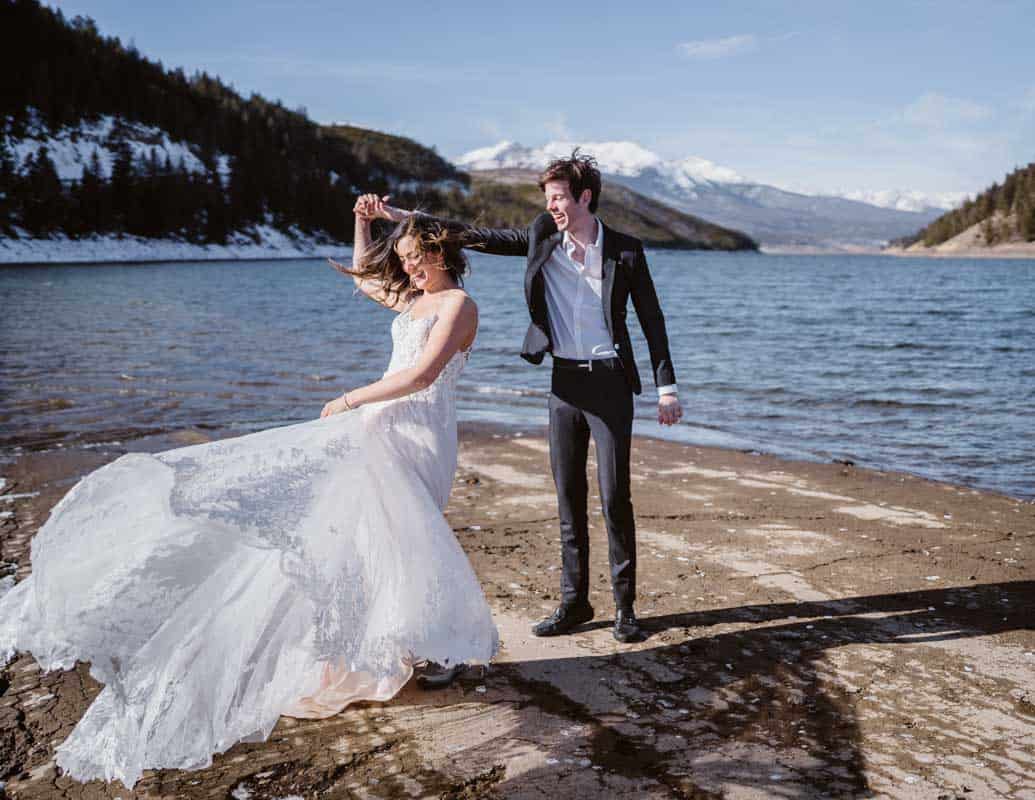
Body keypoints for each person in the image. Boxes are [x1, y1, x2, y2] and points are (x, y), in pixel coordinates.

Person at [0, 196, 498, 788]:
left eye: (418, 258)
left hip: (418, 431)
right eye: (408, 260)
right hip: (378, 430)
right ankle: (383, 648)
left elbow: (420, 375)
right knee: (362, 540)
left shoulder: (458, 305)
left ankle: (429, 646)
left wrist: (348, 399)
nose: (410, 269)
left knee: (412, 537)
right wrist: (366, 223)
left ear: (441, 253)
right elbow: (366, 279)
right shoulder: (413, 299)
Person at [371, 150, 682, 644]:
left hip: (610, 383)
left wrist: (667, 388)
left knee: (614, 498)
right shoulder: (542, 236)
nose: (552, 206)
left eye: (559, 197)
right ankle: (574, 603)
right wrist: (405, 218)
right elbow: (479, 236)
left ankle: (626, 610)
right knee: (567, 499)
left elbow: (652, 319)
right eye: (548, 198)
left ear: (585, 197)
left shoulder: (625, 250)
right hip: (563, 385)